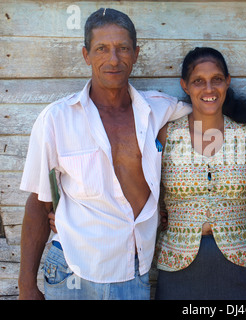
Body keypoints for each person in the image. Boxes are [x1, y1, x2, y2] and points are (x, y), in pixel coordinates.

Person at [18, 8, 196, 300]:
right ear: (86, 55)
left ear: (136, 54)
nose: (113, 59)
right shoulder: (56, 119)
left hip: (133, 272)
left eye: (122, 48)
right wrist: (26, 287)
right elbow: (39, 203)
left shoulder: (158, 109)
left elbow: (214, 109)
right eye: (102, 49)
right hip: (72, 273)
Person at [154, 47, 246, 300]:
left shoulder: (245, 135)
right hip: (176, 260)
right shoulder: (166, 135)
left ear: (228, 82)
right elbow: (147, 181)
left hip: (241, 261)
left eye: (216, 79)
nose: (208, 89)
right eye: (198, 81)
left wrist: (232, 213)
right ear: (185, 86)